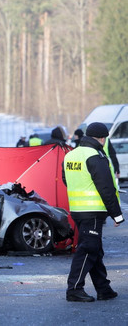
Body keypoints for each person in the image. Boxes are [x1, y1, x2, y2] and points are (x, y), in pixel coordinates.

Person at [62, 122, 124, 302]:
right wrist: (117, 214)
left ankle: (103, 289)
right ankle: (74, 289)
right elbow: (106, 188)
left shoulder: (71, 155)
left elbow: (67, 180)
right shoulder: (96, 156)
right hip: (93, 210)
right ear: (103, 138)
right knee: (88, 249)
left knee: (94, 248)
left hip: (77, 209)